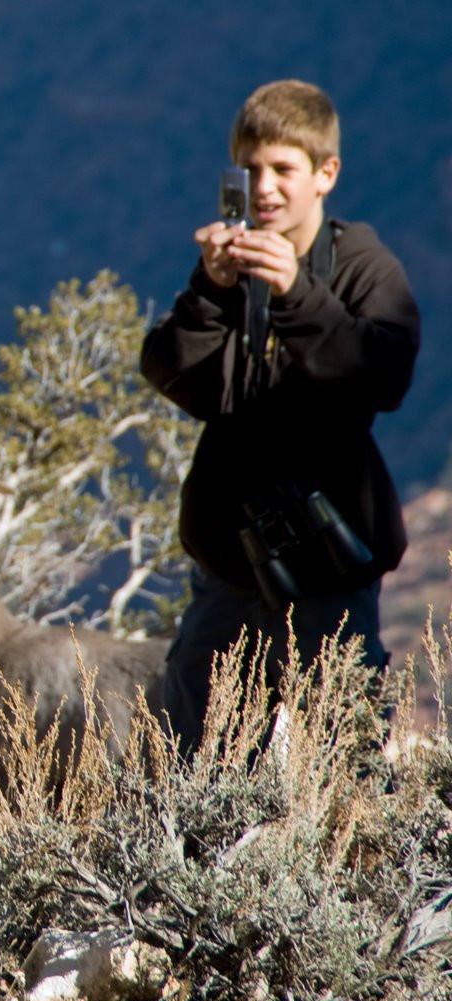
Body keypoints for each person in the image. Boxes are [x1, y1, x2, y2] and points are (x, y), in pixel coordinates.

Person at [140, 79, 420, 755]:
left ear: (325, 175)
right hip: (231, 564)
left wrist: (297, 292)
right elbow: (173, 373)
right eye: (251, 170)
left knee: (340, 754)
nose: (264, 189)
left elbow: (381, 377)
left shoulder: (363, 268)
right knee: (188, 757)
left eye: (283, 171)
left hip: (330, 560)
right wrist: (210, 290)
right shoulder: (233, 271)